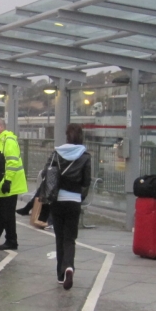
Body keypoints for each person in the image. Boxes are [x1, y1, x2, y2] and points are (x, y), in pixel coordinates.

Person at [46, 123, 92, 290]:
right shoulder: (85, 156)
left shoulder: (56, 153)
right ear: (81, 137)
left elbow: (47, 173)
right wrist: (80, 196)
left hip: (57, 200)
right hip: (74, 201)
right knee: (70, 238)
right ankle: (69, 267)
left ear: (66, 136)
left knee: (59, 236)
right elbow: (86, 181)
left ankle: (60, 274)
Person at [0, 119, 27, 250]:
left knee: (6, 215)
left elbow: (12, 162)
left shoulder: (8, 141)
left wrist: (8, 181)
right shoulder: (0, 141)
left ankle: (11, 240)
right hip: (2, 185)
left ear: (1, 127)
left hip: (9, 185)